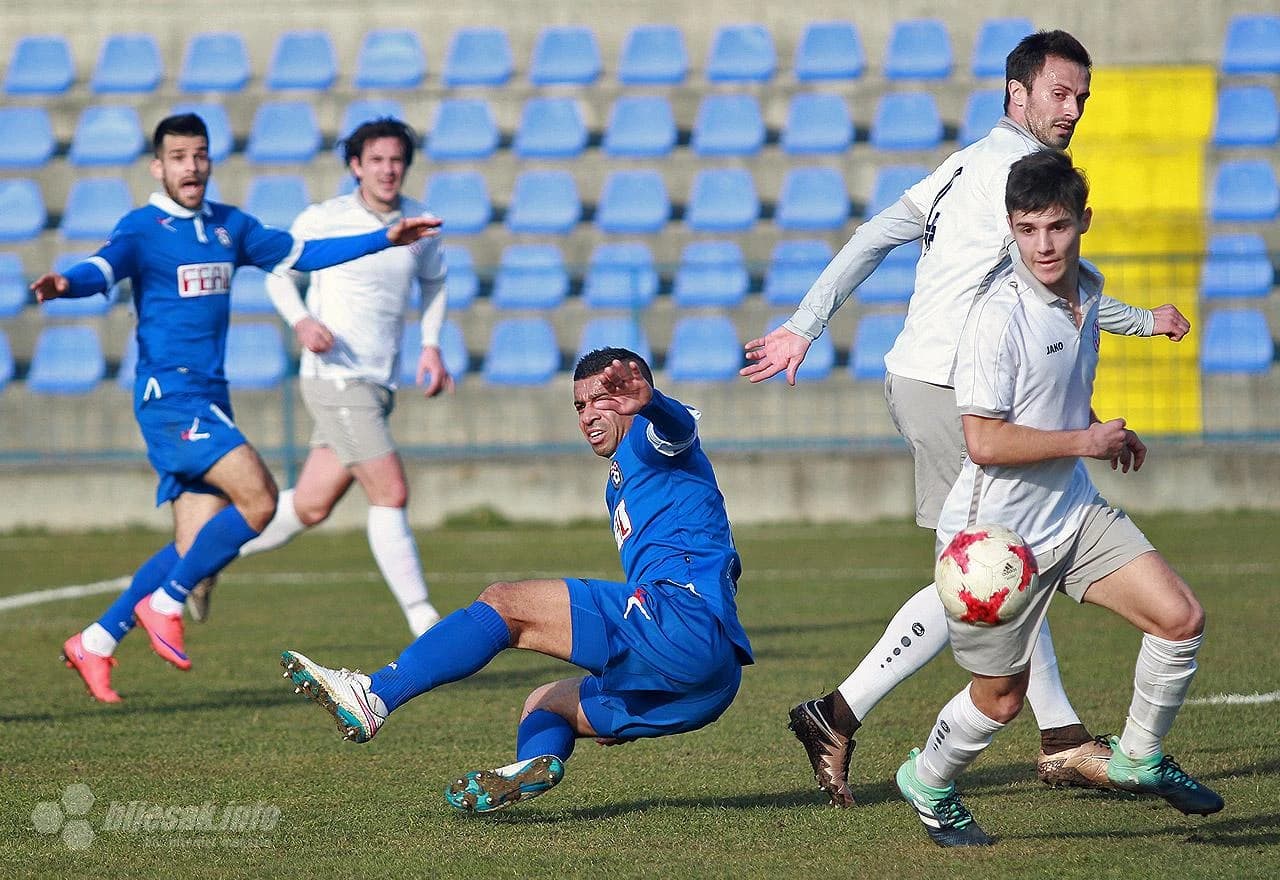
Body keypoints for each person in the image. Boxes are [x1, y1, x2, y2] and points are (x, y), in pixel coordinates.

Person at [741, 30, 1192, 805]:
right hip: (953, 389)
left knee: (1007, 557)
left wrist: (806, 324)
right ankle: (849, 714)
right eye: (1060, 92)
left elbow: (877, 235)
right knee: (987, 569)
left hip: (935, 381)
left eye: (1082, 97)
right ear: (1017, 93)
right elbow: (1057, 287)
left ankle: (1050, 737)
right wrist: (802, 328)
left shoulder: (969, 161)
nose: (1074, 109)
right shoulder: (1011, 174)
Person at [44, 113, 440, 703]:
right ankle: (168, 601)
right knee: (256, 498)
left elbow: (304, 255)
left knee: (195, 542)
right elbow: (100, 268)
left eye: (200, 155)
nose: (192, 166)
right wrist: (66, 285)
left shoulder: (230, 227)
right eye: (178, 157)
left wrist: (384, 238)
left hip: (210, 396)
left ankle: (97, 641)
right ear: (159, 167)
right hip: (169, 399)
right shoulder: (143, 228)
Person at [896, 149, 1222, 847]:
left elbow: (1066, 379)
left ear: (1083, 223)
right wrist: (1086, 443)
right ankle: (927, 780)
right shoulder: (996, 318)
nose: (1043, 245)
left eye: (1057, 227)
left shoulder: (1090, 289)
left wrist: (1106, 427)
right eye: (1027, 230)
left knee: (1180, 619)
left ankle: (1136, 757)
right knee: (1002, 701)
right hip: (994, 544)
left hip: (1073, 513)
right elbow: (982, 441)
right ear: (1011, 230)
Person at [279, 348, 753, 813]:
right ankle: (530, 766)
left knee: (503, 603)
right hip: (709, 686)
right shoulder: (620, 473)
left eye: (601, 399)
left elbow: (680, 429)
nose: (588, 414)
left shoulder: (650, 436)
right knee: (543, 703)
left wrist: (651, 402)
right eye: (579, 405)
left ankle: (375, 694)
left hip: (680, 617)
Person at [191, 118, 450, 638]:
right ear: (355, 166)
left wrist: (431, 345)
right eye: (375, 160)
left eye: (396, 160)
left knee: (309, 505)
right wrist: (303, 321)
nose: (387, 169)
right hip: (334, 377)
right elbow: (278, 273)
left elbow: (436, 282)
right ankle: (427, 621)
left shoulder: (419, 222)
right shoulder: (324, 219)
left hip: (378, 382)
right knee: (390, 492)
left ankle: (199, 558)